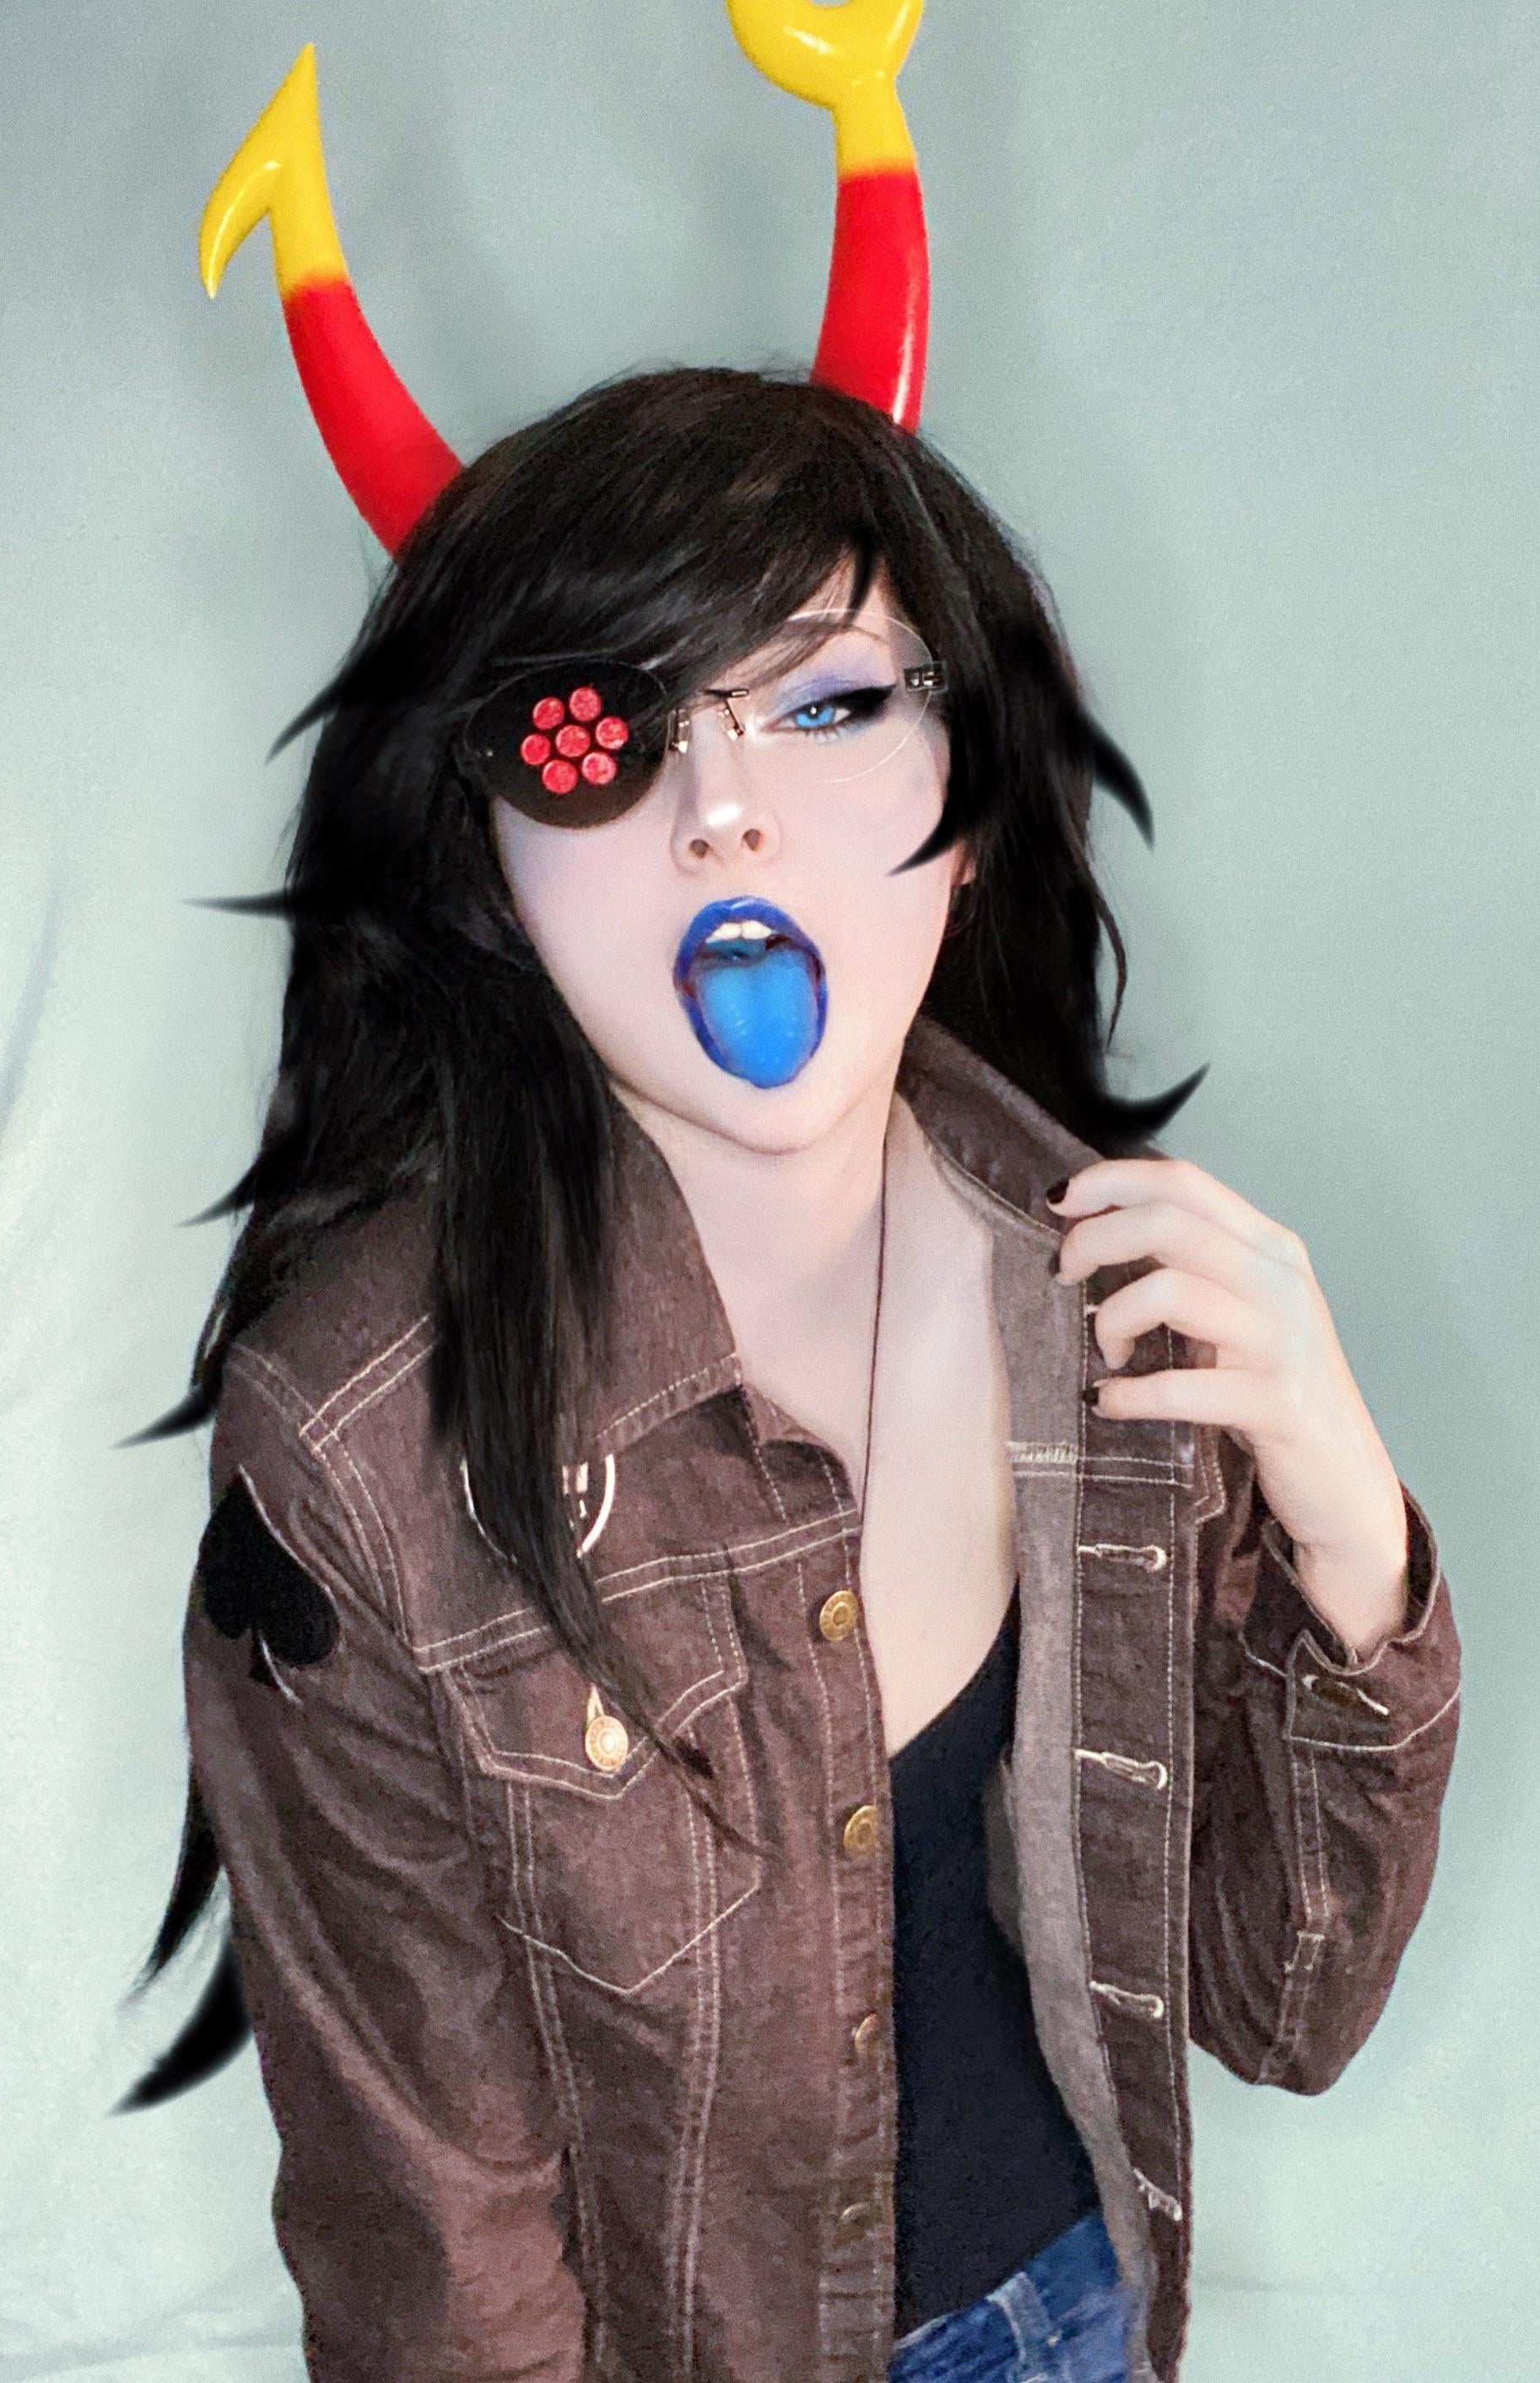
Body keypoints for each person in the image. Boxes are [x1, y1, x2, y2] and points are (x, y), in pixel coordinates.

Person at [120, 23, 1461, 2383]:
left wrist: (1351, 1544)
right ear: (489, 868)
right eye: (595, 738)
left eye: (830, 703)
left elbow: (1281, 2003)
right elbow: (438, 2261)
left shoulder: (1115, 1295)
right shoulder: (353, 1451)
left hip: (1092, 2314)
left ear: (973, 798)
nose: (724, 808)